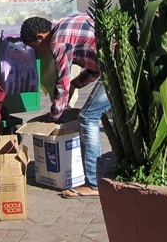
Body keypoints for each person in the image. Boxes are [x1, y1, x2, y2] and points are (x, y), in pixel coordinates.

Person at [20, 15, 109, 199]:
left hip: (117, 64)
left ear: (40, 37)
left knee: (88, 117)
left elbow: (62, 81)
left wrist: (54, 115)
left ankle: (93, 183)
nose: (39, 52)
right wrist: (77, 84)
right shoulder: (64, 24)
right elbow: (94, 66)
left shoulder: (57, 42)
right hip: (115, 60)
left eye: (35, 47)